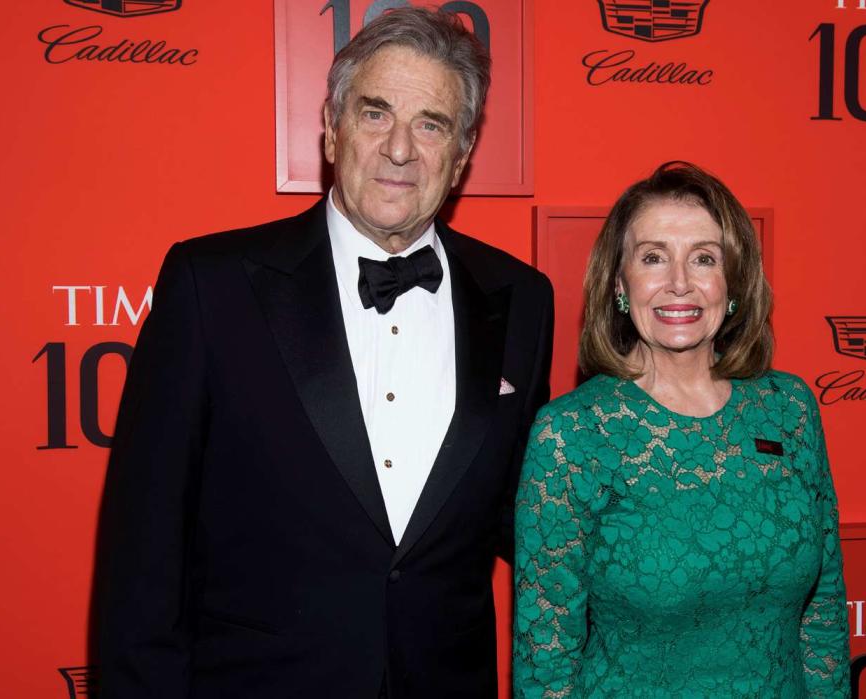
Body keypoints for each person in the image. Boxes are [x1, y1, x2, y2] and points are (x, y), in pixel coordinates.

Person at [94, 8, 553, 698]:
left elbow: (531, 526)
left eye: (430, 124)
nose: (400, 148)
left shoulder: (522, 298)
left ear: (460, 156)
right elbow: (142, 553)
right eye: (374, 114)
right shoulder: (212, 284)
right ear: (331, 131)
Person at [512, 162, 849, 697]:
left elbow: (824, 612)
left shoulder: (791, 409)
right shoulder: (572, 435)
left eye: (704, 258)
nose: (679, 284)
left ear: (733, 284)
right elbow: (545, 662)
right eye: (653, 258)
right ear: (620, 284)